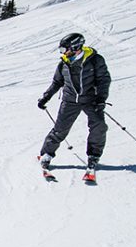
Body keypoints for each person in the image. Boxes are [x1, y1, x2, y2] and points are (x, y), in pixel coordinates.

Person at [37, 32, 112, 173]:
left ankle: (93, 155)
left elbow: (104, 80)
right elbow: (57, 82)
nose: (63, 53)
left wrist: (101, 99)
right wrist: (45, 97)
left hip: (91, 100)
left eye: (65, 49)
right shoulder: (63, 63)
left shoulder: (95, 60)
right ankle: (46, 154)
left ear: (76, 46)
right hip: (70, 100)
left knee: (99, 126)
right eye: (61, 50)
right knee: (60, 129)